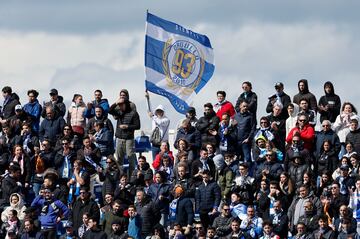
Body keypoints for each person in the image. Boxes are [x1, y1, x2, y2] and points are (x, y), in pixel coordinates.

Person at [109, 91, 140, 177]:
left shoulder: (133, 113)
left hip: (129, 139)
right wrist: (116, 103)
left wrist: (127, 126)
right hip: (119, 138)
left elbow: (137, 126)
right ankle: (119, 177)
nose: (120, 106)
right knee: (118, 160)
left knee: (131, 159)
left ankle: (131, 178)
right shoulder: (119, 113)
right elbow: (109, 110)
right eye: (119, 105)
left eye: (121, 105)